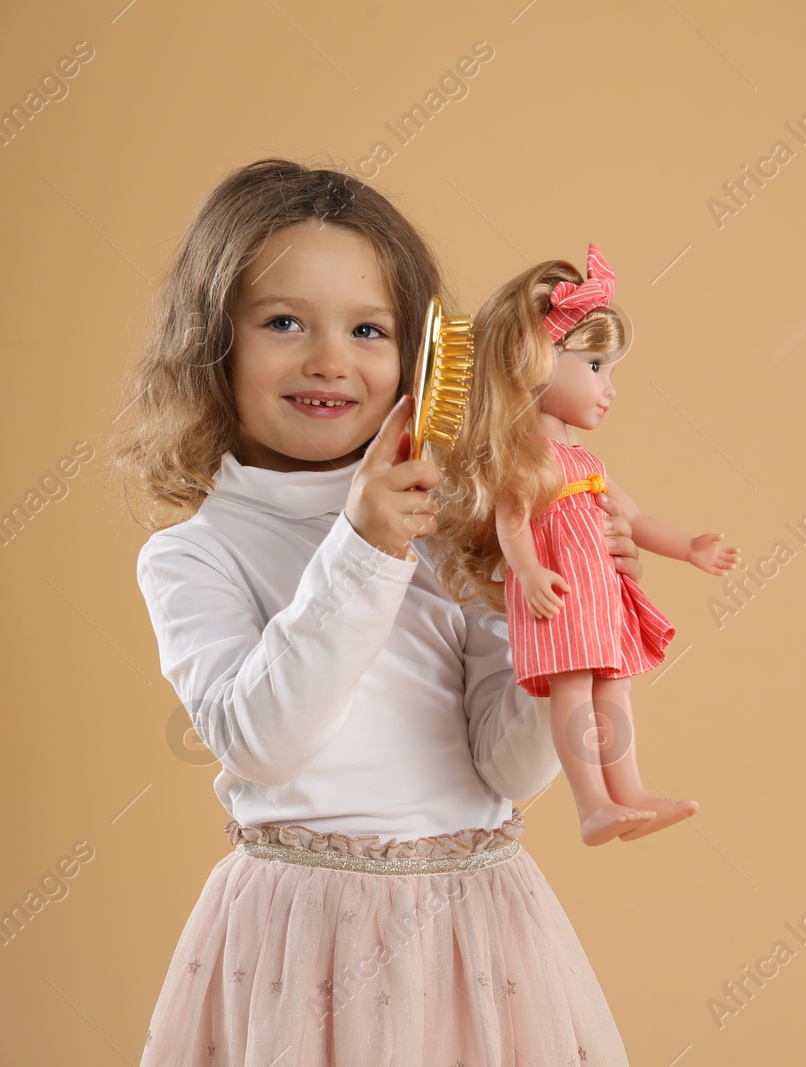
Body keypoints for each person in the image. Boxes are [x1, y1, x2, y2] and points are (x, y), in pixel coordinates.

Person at [106, 158, 633, 1065]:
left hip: (475, 936)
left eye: (368, 329)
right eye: (282, 323)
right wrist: (362, 547)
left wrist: (565, 606)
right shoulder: (195, 554)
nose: (329, 359)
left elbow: (508, 766)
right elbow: (262, 737)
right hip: (300, 948)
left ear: (422, 363)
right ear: (210, 345)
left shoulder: (456, 530)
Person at [428, 245, 738, 848]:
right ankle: (592, 803)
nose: (610, 388)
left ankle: (632, 790)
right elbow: (511, 519)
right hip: (559, 593)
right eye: (596, 365)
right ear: (534, 359)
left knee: (613, 685)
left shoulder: (583, 459)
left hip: (598, 596)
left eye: (611, 369)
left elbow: (634, 518)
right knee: (573, 688)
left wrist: (689, 547)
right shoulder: (524, 457)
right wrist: (530, 573)